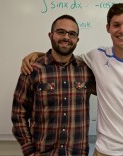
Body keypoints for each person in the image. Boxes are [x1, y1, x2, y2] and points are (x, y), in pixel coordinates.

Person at [21, 3, 123, 156]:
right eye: (116, 25)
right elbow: (64, 57)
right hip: (102, 151)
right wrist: (38, 54)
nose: (122, 30)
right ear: (108, 28)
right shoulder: (97, 56)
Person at [11, 14, 96, 156]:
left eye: (72, 34)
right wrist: (28, 150)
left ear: (77, 40)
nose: (66, 37)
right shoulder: (33, 69)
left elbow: (113, 86)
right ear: (50, 35)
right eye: (61, 32)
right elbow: (18, 113)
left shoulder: (86, 71)